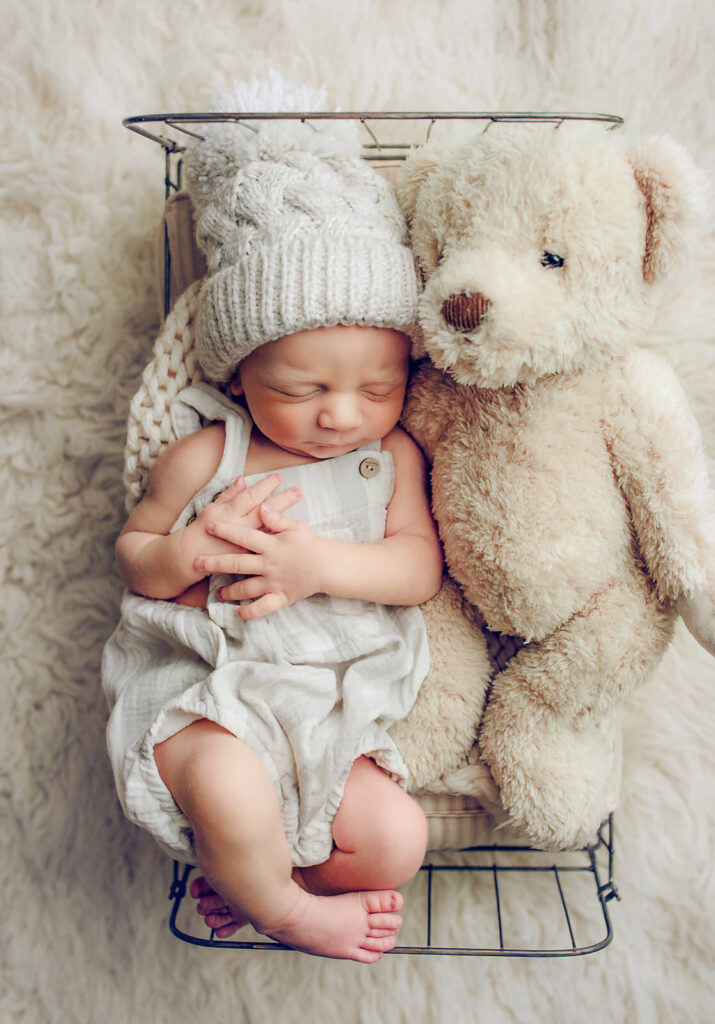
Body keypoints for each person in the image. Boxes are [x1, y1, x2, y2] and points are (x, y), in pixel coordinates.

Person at [102, 95, 441, 963]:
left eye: (377, 388)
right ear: (240, 375)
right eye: (300, 389)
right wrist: (183, 552)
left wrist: (319, 562)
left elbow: (416, 572)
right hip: (208, 696)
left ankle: (246, 879)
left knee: (397, 843)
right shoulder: (205, 458)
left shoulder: (387, 459)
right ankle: (285, 910)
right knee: (227, 786)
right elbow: (133, 558)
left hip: (327, 711)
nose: (341, 416)